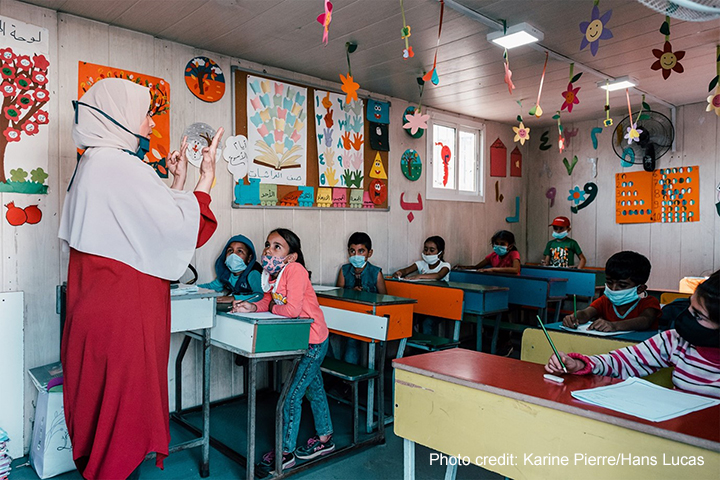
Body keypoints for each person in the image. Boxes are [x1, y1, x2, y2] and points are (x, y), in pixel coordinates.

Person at [58, 78, 222, 479]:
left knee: (103, 407)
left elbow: (145, 226)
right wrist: (205, 180)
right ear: (120, 117)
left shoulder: (96, 163)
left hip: (101, 311)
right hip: (123, 317)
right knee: (123, 409)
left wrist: (177, 182)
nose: (151, 123)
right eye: (146, 114)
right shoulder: (118, 165)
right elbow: (178, 230)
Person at [232, 228, 334, 474]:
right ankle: (325, 439)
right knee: (314, 389)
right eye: (268, 244)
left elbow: (291, 310)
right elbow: (270, 301)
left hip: (313, 341)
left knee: (291, 396)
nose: (269, 250)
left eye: (277, 246)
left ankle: (285, 453)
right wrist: (250, 307)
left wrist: (277, 307)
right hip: (299, 339)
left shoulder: (295, 271)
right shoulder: (273, 274)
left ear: (291, 256)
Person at [546, 270, 720, 398]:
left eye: (698, 315)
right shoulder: (675, 341)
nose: (685, 316)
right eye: (689, 306)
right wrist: (579, 364)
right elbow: (623, 361)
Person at [562, 251, 660, 332]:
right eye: (609, 282)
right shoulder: (605, 301)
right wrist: (574, 317)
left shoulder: (649, 303)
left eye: (622, 285)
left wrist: (614, 326)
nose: (613, 289)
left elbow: (645, 321)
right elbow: (586, 313)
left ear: (640, 289)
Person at [334, 232, 386, 364]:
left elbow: (384, 298)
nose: (356, 255)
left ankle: (349, 379)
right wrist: (351, 292)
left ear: (370, 253)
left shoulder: (376, 272)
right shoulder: (344, 270)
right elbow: (338, 293)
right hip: (349, 313)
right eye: (352, 251)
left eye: (361, 251)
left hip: (371, 316)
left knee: (353, 340)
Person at [198, 234, 263, 303]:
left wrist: (233, 298)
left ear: (249, 258)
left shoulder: (253, 273)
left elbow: (259, 295)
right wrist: (190, 288)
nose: (233, 255)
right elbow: (211, 286)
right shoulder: (226, 274)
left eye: (239, 251)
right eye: (230, 250)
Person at [456, 230, 521, 275]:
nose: (499, 246)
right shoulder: (493, 256)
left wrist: (492, 270)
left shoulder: (514, 254)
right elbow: (477, 267)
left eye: (502, 244)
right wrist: (463, 267)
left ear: (510, 246)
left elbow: (515, 270)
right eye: (496, 243)